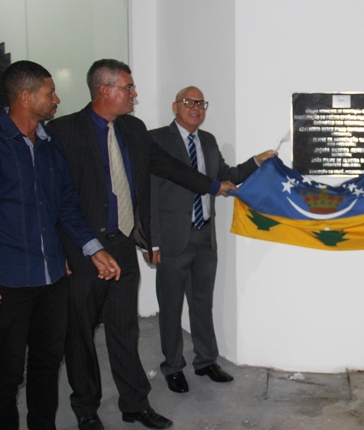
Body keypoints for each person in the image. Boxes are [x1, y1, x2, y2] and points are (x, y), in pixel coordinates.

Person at [48, 60, 235, 430]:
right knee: (81, 335)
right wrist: (62, 250)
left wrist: (214, 186)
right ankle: (86, 408)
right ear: (105, 90)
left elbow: (169, 167)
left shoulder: (133, 130)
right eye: (128, 88)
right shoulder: (63, 131)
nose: (134, 94)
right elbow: (54, 197)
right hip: (82, 249)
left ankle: (134, 403)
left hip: (121, 245)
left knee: (125, 331)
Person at [0, 60, 120, 430]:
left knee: (47, 364)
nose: (57, 99)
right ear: (26, 97)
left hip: (53, 277)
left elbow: (66, 206)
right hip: (6, 281)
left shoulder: (51, 145)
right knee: (6, 375)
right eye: (50, 92)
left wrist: (94, 248)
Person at [144, 86, 276, 393]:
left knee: (202, 304)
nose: (195, 108)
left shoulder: (208, 141)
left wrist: (256, 161)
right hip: (172, 240)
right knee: (170, 307)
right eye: (188, 102)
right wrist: (151, 241)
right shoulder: (155, 140)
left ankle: (205, 361)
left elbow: (225, 176)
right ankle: (173, 366)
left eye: (201, 103)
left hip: (204, 237)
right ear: (175, 106)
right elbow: (146, 193)